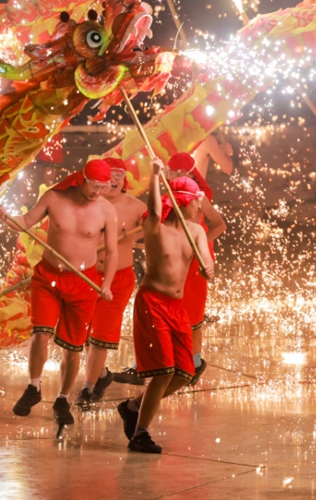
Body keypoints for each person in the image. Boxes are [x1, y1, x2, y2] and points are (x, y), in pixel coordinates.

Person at [0, 159, 120, 428]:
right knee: (40, 333)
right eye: (94, 185)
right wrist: (6, 217)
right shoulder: (54, 197)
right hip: (48, 277)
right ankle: (33, 387)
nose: (98, 191)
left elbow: (112, 252)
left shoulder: (107, 210)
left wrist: (107, 283)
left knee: (72, 347)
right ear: (82, 178)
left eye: (104, 186)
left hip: (84, 283)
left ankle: (62, 398)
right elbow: (26, 222)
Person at [117, 162, 214, 454]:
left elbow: (206, 259)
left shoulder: (196, 230)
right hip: (152, 303)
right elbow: (157, 210)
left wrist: (208, 269)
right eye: (196, 201)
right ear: (185, 202)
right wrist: (156, 177)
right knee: (163, 371)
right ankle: (140, 434)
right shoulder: (155, 226)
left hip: (177, 306)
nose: (200, 207)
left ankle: (133, 407)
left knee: (185, 372)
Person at [75, 157, 147, 408]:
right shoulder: (87, 204)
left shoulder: (137, 208)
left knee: (99, 336)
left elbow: (156, 231)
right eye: (110, 174)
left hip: (119, 278)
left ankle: (87, 388)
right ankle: (102, 375)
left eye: (120, 174)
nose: (115, 179)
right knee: (82, 333)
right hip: (86, 275)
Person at [164, 151, 226, 384]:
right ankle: (169, 362)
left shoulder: (199, 198)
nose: (169, 175)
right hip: (174, 258)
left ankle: (195, 362)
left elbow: (220, 225)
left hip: (196, 260)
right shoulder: (167, 195)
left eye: (173, 172)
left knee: (193, 314)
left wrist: (201, 242)